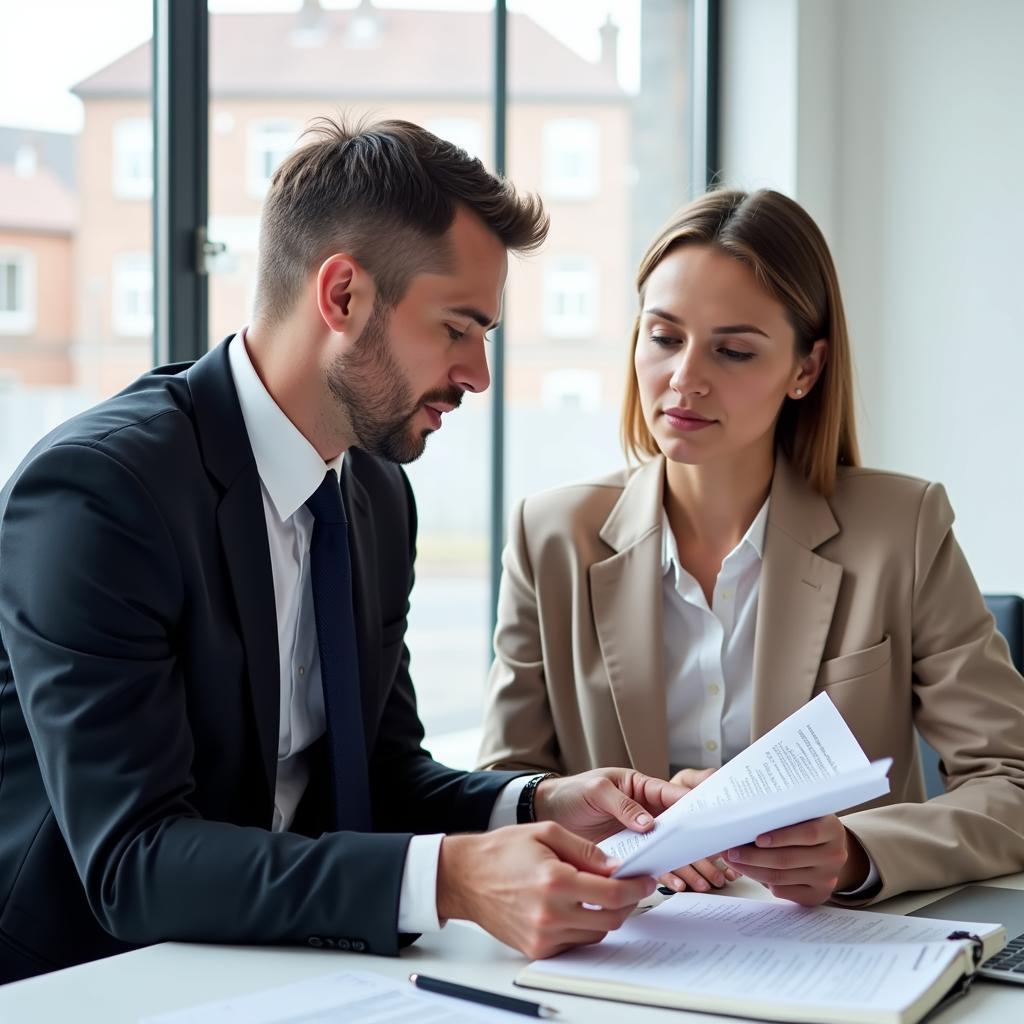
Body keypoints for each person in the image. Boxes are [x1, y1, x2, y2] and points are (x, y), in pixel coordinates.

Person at [0, 117, 684, 984]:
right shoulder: (100, 496)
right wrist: (449, 880)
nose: (477, 373)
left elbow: (381, 775)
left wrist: (544, 801)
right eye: (457, 328)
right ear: (343, 297)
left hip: (287, 965)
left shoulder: (372, 495)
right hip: (90, 978)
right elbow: (134, 861)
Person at [478, 187, 1024, 908]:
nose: (684, 378)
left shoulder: (904, 529)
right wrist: (610, 828)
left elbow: (1011, 780)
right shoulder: (550, 536)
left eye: (733, 350)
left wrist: (858, 853)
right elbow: (502, 791)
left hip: (835, 946)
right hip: (624, 944)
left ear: (806, 369)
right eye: (664, 337)